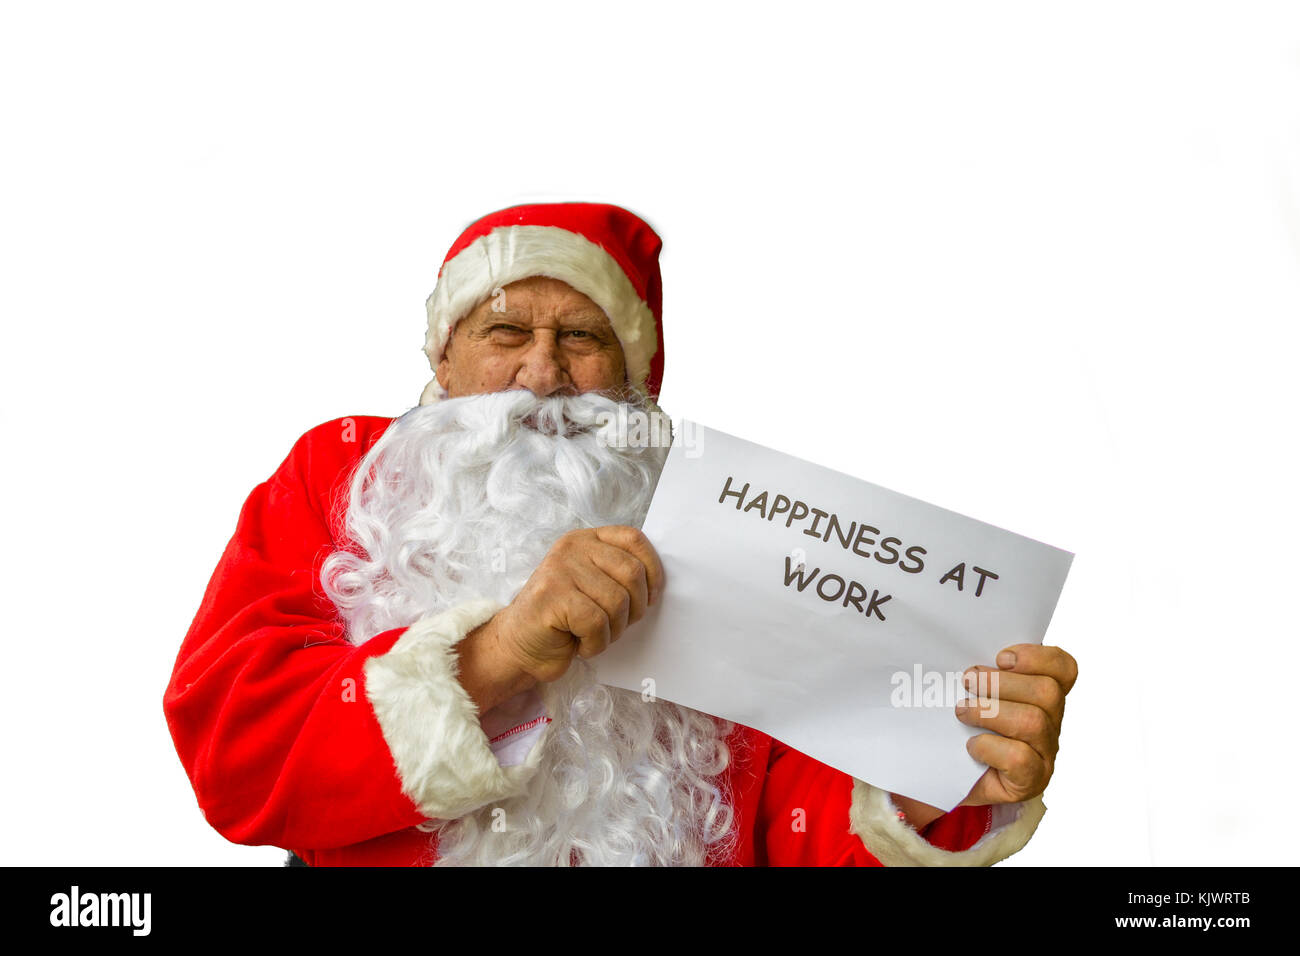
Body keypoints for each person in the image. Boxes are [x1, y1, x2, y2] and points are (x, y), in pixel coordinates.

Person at [163, 202, 1077, 866]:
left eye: (583, 340)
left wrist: (930, 782)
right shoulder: (346, 473)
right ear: (441, 359)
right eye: (504, 330)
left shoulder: (715, 520)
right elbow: (232, 745)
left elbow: (780, 814)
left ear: (637, 377)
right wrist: (498, 653)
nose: (542, 373)